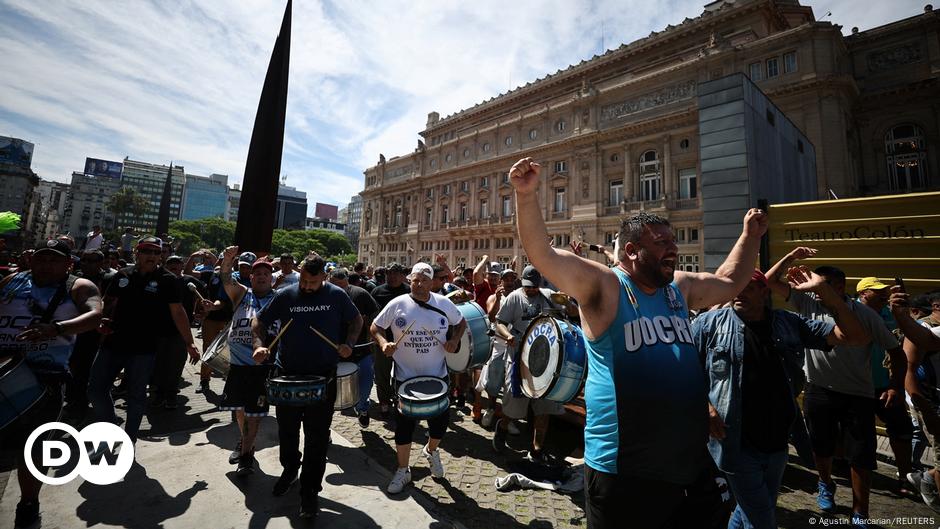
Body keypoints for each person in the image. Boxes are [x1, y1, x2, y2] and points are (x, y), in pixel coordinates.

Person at [509, 157, 766, 529]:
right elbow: (544, 255)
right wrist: (526, 195)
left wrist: (751, 236)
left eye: (673, 242)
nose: (673, 250)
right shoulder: (606, 286)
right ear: (631, 251)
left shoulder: (680, 288)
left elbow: (729, 282)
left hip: (689, 462)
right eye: (661, 243)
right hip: (625, 471)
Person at [693, 269, 867, 529]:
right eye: (736, 286)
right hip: (735, 440)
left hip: (778, 441)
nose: (740, 292)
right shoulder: (709, 324)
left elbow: (855, 337)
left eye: (749, 287)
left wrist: (826, 293)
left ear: (765, 292)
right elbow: (686, 370)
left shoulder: (788, 322)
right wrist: (704, 407)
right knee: (762, 519)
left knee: (750, 509)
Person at [765, 254, 905, 525]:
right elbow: (768, 281)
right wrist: (790, 257)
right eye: (815, 282)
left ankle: (860, 512)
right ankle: (825, 484)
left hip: (858, 394)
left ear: (840, 287)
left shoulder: (864, 315)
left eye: (824, 284)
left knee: (861, 456)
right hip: (818, 389)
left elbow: (896, 352)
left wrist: (895, 386)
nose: (817, 288)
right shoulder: (806, 301)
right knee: (821, 448)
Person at [0, 239, 103, 528]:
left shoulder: (79, 286)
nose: (45, 264)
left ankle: (28, 504)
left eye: (53, 260)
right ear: (31, 260)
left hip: (45, 379)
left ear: (68, 264)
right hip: (5, 368)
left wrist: (56, 329)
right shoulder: (12, 280)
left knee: (32, 446)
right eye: (41, 258)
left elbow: (94, 315)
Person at [252, 254, 362, 519]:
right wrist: (259, 345)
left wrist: (349, 342)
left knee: (317, 436)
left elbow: (356, 320)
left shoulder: (336, 295)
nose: (307, 286)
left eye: (313, 282)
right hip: (287, 373)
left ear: (324, 276)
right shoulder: (286, 294)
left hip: (322, 376)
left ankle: (310, 491)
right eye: (304, 280)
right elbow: (259, 321)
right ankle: (290, 470)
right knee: (287, 430)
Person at [87, 236, 199, 444]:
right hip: (112, 343)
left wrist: (189, 342)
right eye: (147, 251)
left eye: (157, 252)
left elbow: (178, 312)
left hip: (144, 348)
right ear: (137, 253)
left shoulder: (168, 280)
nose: (152, 256)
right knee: (95, 390)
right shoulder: (122, 275)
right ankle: (111, 425)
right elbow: (107, 302)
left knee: (137, 396)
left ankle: (129, 439)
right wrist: (100, 320)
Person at [370, 262, 467, 494]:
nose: (419, 284)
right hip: (405, 378)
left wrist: (454, 340)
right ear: (409, 280)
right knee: (404, 427)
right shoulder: (397, 304)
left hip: (438, 376)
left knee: (439, 425)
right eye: (415, 280)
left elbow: (461, 323)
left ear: (432, 281)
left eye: (424, 280)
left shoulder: (444, 303)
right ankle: (403, 470)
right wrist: (384, 343)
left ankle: (431, 451)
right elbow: (375, 327)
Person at [491, 265, 568, 460]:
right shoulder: (514, 297)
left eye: (534, 286)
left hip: (546, 362)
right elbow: (499, 322)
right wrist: (507, 335)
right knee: (513, 408)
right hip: (519, 359)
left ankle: (537, 449)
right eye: (528, 286)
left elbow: (570, 313)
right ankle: (503, 426)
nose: (531, 290)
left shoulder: (548, 295)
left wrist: (569, 303)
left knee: (544, 409)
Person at [214, 246, 277, 474]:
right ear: (251, 277)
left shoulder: (279, 300)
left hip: (261, 368)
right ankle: (244, 442)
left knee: (255, 413)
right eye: (257, 273)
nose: (261, 277)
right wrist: (228, 260)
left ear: (272, 278)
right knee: (240, 410)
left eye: (266, 274)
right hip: (238, 365)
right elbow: (225, 278)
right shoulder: (241, 293)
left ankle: (247, 455)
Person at [854, 276, 915, 496]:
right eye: (876, 291)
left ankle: (905, 477)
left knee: (901, 429)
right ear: (862, 294)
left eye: (884, 291)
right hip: (856, 386)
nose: (883, 294)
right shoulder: (850, 311)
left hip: (886, 385)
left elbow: (909, 338)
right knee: (860, 435)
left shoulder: (889, 313)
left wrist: (904, 313)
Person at [150, 255, 205, 409]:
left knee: (175, 364)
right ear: (165, 265)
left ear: (182, 265)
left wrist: (201, 309)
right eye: (170, 263)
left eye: (177, 263)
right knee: (159, 364)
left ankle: (171, 395)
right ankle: (159, 394)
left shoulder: (190, 282)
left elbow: (204, 297)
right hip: (159, 329)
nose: (174, 266)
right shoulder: (159, 279)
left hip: (181, 330)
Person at [329, 267, 379, 427]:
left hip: (360, 349)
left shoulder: (360, 294)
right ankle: (326, 426)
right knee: (329, 392)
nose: (339, 290)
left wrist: (374, 332)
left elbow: (375, 315)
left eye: (342, 286)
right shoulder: (322, 296)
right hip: (332, 351)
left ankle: (362, 408)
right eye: (335, 286)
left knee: (365, 383)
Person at [370, 262, 410, 418]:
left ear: (402, 276)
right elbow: (372, 317)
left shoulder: (409, 291)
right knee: (382, 374)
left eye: (395, 273)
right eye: (389, 273)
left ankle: (404, 400)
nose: (392, 277)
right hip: (383, 341)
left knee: (404, 373)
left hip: (405, 341)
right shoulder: (377, 292)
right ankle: (384, 403)